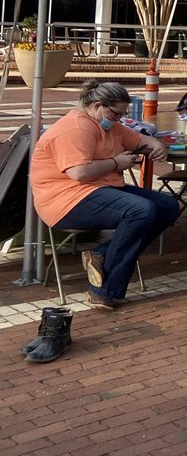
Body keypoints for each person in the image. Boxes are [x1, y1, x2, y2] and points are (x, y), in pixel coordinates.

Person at [30, 80, 178, 311]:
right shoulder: (76, 128)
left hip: (100, 189)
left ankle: (101, 254)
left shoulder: (107, 124)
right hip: (65, 200)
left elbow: (138, 139)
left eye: (122, 114)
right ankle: (104, 290)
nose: (119, 119)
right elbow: (79, 173)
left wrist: (155, 143)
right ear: (98, 105)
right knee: (140, 211)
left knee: (167, 206)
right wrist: (115, 162)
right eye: (116, 113)